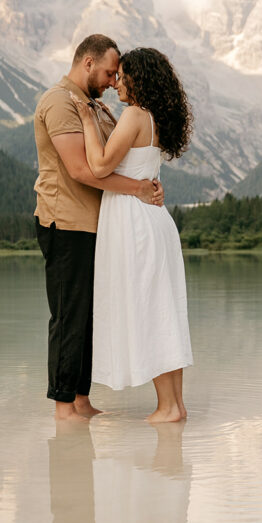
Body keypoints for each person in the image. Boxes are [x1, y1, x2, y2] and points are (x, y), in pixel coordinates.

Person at [34, 35, 165, 423]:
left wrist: (148, 179)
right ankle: (63, 406)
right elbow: (82, 170)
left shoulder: (96, 107)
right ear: (87, 63)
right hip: (66, 221)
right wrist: (139, 190)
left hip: (97, 226)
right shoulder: (60, 103)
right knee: (68, 314)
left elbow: (119, 159)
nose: (113, 81)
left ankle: (81, 399)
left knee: (91, 314)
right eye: (109, 72)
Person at [71, 47, 194, 423]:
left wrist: (88, 122)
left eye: (122, 76)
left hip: (134, 223)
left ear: (140, 80)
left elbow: (100, 164)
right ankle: (174, 405)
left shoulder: (135, 114)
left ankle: (168, 407)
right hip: (154, 220)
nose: (116, 83)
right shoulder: (155, 118)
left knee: (150, 310)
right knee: (163, 309)